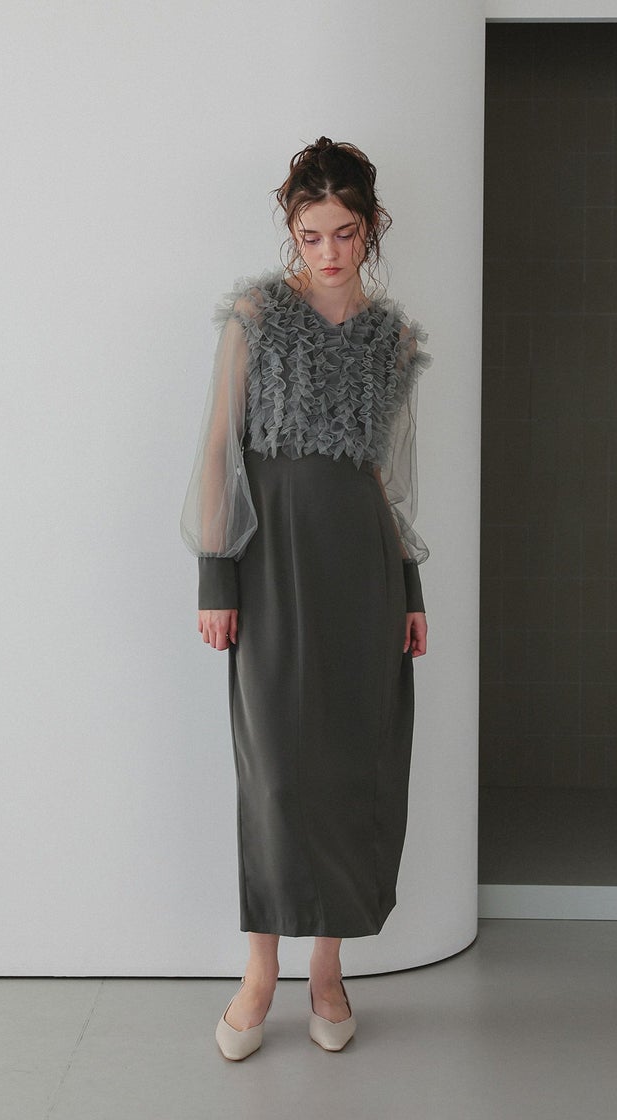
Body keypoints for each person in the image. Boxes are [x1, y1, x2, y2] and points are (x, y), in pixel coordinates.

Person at [180, 137, 430, 1060]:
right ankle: (260, 973)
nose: (327, 251)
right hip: (270, 566)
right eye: (310, 233)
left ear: (371, 229)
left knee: (350, 768)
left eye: (345, 233)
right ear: (292, 231)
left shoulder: (392, 339)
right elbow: (219, 450)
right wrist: (217, 573)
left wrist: (410, 588)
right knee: (276, 774)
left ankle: (327, 970)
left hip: (362, 572)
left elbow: (388, 481)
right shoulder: (256, 316)